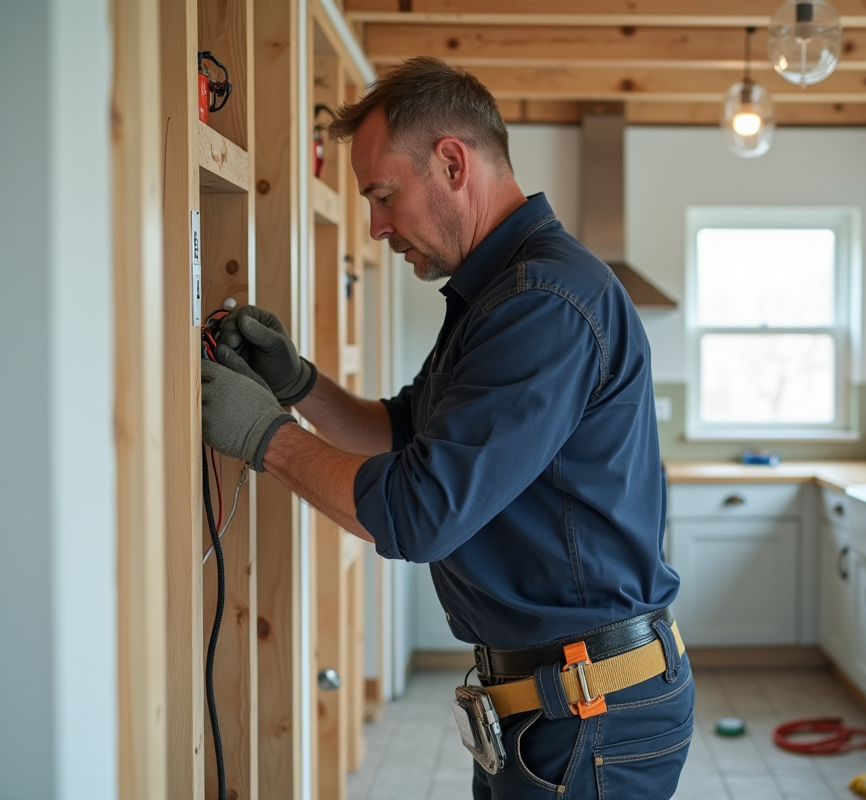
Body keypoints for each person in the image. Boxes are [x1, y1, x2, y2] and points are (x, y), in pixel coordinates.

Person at [200, 56, 692, 799]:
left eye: (383, 195)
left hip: (591, 716)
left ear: (452, 163)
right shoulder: (497, 292)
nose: (375, 226)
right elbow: (401, 431)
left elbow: (419, 512)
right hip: (549, 705)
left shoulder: (543, 300)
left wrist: (267, 436)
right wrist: (296, 383)